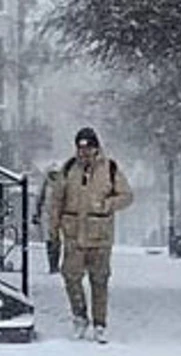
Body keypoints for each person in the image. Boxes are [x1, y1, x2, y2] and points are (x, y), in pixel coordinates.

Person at [46, 127, 134, 342]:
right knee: (71, 277)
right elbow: (56, 202)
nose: (83, 153)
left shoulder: (110, 169)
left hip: (100, 234)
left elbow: (127, 196)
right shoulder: (68, 169)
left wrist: (106, 205)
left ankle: (100, 323)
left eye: (88, 148)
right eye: (80, 148)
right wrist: (53, 229)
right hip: (74, 233)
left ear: (96, 148)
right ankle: (79, 316)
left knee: (100, 279)